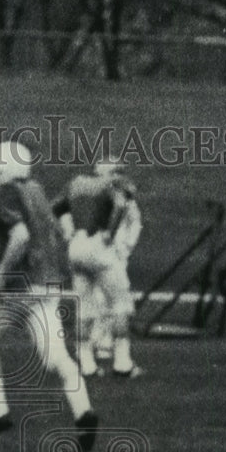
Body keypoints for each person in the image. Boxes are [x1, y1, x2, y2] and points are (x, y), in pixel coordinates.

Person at [0, 140, 99, 449]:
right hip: (46, 284)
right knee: (56, 357)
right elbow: (48, 231)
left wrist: (1, 277)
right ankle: (84, 412)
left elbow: (20, 236)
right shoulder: (36, 190)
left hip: (18, 287)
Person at [52, 158, 142, 378]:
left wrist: (66, 233)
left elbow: (54, 208)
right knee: (120, 304)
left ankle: (86, 365)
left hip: (76, 245)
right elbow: (120, 205)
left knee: (84, 307)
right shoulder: (112, 184)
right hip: (98, 244)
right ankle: (123, 363)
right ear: (111, 172)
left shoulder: (77, 182)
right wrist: (110, 233)